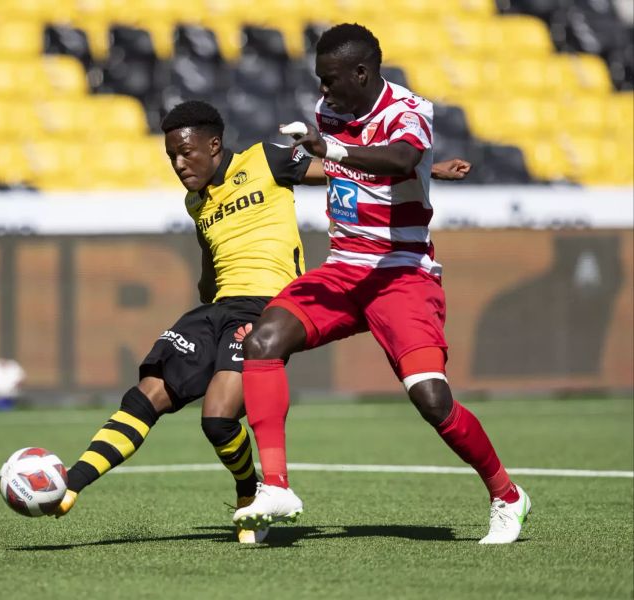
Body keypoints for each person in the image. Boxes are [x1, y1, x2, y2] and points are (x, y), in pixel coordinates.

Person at [50, 99, 473, 544]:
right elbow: (210, 266)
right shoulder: (196, 202)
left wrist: (429, 172)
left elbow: (343, 172)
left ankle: (250, 490)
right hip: (213, 311)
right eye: (171, 156)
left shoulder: (266, 159)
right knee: (147, 394)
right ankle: (69, 485)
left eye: (186, 153)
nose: (178, 164)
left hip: (264, 310)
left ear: (214, 145)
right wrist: (202, 318)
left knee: (217, 420)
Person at [232, 24, 531, 545]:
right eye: (319, 81)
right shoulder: (332, 112)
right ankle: (275, 487)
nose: (323, 91)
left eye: (330, 80)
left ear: (362, 73)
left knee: (431, 399)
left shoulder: (409, 110)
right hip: (344, 267)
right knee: (262, 341)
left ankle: (507, 495)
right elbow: (350, 168)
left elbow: (399, 159)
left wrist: (339, 151)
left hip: (401, 272)